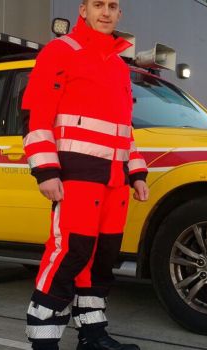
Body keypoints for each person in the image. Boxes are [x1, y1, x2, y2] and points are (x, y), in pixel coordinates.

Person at [21, 0, 149, 349]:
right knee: (70, 252)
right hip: (76, 175)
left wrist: (136, 172)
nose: (105, 12)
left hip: (115, 181)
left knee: (102, 258)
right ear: (83, 10)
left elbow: (124, 129)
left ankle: (92, 335)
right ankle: (43, 340)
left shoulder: (119, 66)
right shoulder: (60, 51)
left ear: (120, 13)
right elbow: (36, 113)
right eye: (98, 4)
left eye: (112, 6)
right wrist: (46, 170)